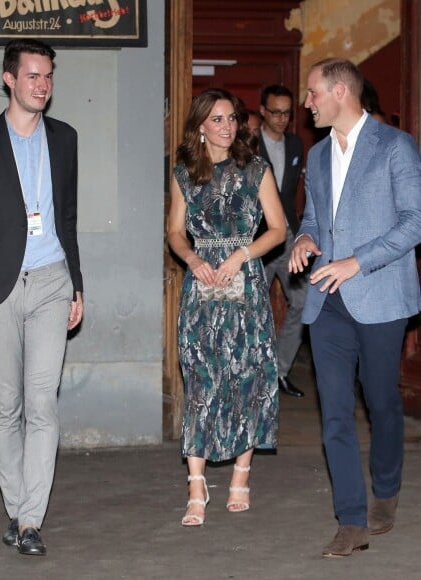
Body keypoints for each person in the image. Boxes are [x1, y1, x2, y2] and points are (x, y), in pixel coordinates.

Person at [0, 38, 84, 557]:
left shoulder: (66, 139)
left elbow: (67, 220)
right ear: (10, 79)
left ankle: (30, 521)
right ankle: (17, 506)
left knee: (42, 404)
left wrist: (78, 284)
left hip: (52, 280)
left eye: (47, 76)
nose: (42, 85)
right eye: (32, 76)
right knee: (5, 407)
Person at [290, 58, 421, 558]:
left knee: (382, 401)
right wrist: (305, 239)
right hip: (328, 301)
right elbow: (312, 216)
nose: (308, 103)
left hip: (381, 294)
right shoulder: (319, 155)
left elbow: (414, 222)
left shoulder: (394, 146)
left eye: (313, 93)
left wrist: (355, 262)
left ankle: (385, 488)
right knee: (336, 412)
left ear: (340, 91)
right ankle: (351, 518)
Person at [167, 88, 286, 526]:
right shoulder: (184, 173)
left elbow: (278, 229)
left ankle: (241, 473)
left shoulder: (255, 170)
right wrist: (194, 258)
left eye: (232, 119)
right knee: (201, 377)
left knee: (248, 375)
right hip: (202, 286)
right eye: (217, 120)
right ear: (200, 125)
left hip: (246, 284)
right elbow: (175, 232)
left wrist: (240, 255)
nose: (227, 127)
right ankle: (196, 485)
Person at [258, 84, 306, 398]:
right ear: (263, 110)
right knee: (254, 309)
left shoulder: (296, 143)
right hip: (257, 238)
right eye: (275, 111)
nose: (281, 118)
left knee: (304, 303)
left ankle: (279, 371)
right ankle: (256, 375)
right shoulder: (246, 145)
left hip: (289, 234)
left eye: (287, 112)